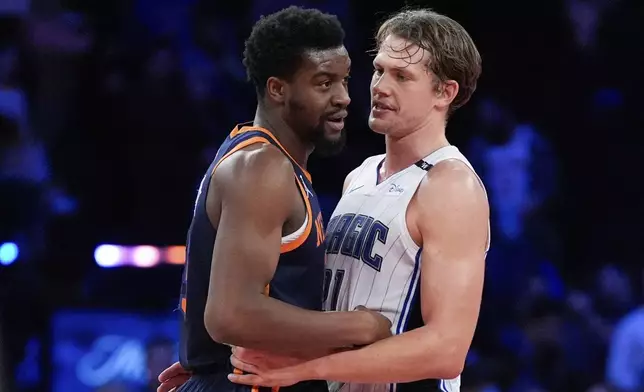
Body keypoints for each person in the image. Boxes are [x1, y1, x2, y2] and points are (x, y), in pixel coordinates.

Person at [161, 7, 489, 392]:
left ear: (444, 93)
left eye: (402, 76)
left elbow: (446, 351)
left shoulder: (451, 185)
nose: (380, 86)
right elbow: (308, 305)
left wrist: (302, 371)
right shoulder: (360, 176)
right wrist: (220, 362)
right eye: (380, 70)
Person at [170, 6, 392, 392]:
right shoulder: (263, 168)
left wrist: (204, 360)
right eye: (324, 83)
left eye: (344, 81)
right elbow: (231, 314)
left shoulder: (266, 160)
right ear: (277, 89)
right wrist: (359, 325)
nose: (344, 97)